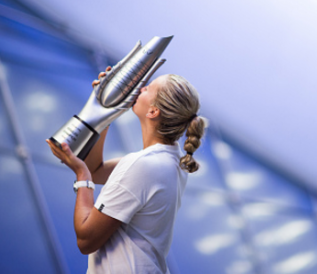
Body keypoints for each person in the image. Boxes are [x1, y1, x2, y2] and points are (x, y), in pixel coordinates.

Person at [47, 68, 207, 273]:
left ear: (153, 111)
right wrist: (106, 109)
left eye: (147, 88)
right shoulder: (172, 160)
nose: (140, 88)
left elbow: (86, 240)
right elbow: (97, 170)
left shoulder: (144, 165)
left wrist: (81, 177)